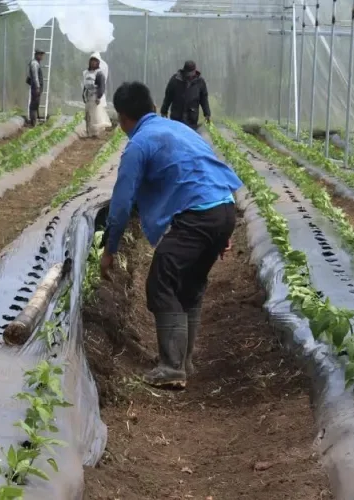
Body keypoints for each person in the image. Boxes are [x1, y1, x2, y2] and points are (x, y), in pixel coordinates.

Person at [101, 81, 242, 390]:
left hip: (199, 216)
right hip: (224, 207)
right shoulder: (180, 129)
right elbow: (212, 169)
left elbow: (122, 202)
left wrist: (110, 250)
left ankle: (172, 367)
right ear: (152, 107)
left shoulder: (138, 145)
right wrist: (222, 229)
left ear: (123, 117)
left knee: (161, 281)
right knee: (189, 286)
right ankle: (184, 361)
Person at [160, 60, 212, 136]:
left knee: (190, 138)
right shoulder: (175, 80)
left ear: (195, 71)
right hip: (177, 117)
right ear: (184, 71)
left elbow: (204, 99)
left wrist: (207, 114)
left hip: (192, 118)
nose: (190, 76)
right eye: (188, 73)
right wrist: (164, 111)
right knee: (177, 138)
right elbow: (168, 96)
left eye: (191, 73)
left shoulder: (200, 82)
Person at [81, 52, 112, 138]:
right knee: (88, 115)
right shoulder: (86, 72)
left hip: (95, 97)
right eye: (92, 61)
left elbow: (102, 86)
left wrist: (99, 97)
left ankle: (95, 132)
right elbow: (85, 85)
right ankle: (89, 131)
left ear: (98, 63)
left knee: (95, 115)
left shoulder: (99, 74)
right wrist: (83, 94)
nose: (93, 63)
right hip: (88, 96)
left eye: (95, 61)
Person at [27, 49, 45, 126]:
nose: (42, 57)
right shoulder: (34, 63)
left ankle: (34, 121)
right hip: (36, 87)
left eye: (42, 55)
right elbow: (35, 76)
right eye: (41, 55)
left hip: (36, 87)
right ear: (37, 55)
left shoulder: (37, 63)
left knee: (35, 104)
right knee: (34, 104)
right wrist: (37, 87)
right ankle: (33, 122)